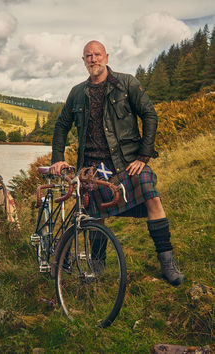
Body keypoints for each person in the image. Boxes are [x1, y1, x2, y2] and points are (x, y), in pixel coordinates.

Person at [50, 40, 185, 286]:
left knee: (152, 198)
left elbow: (150, 114)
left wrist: (143, 157)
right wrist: (58, 158)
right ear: (83, 61)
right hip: (91, 168)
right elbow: (61, 125)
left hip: (125, 164)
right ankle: (98, 264)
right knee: (93, 217)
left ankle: (168, 264)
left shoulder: (126, 83)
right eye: (88, 56)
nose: (93, 59)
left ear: (106, 57)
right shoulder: (77, 92)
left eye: (97, 54)